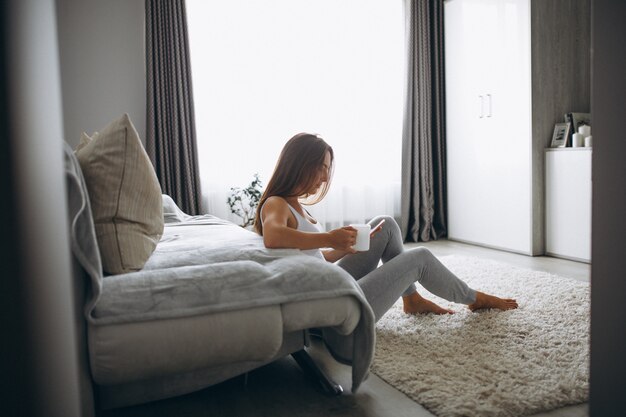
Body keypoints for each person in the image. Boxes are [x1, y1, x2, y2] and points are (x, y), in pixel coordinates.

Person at [253, 133, 518, 321]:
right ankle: (473, 298)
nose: (324, 178)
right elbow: (274, 237)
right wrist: (330, 238)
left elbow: (317, 257)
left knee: (387, 224)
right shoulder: (276, 203)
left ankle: (411, 299)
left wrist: (345, 247)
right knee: (420, 258)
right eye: (321, 168)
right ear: (300, 164)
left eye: (326, 170)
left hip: (330, 283)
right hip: (330, 304)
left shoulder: (297, 206)